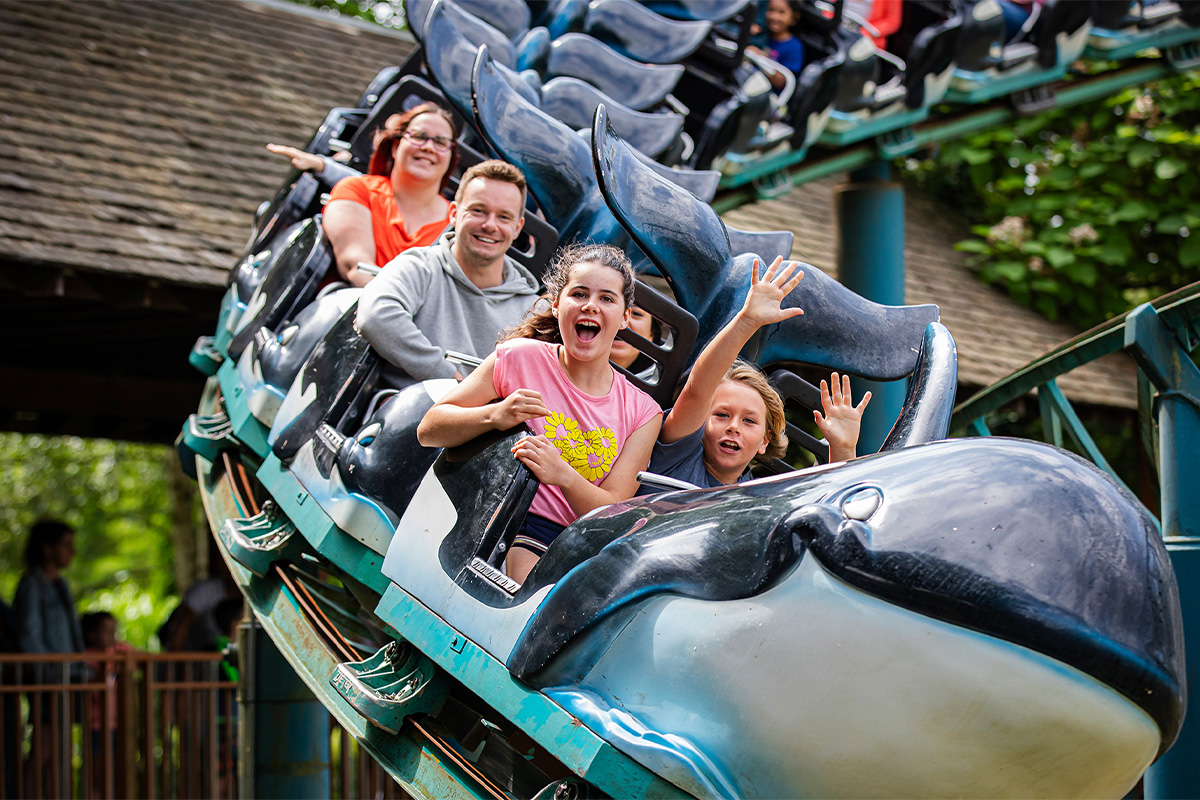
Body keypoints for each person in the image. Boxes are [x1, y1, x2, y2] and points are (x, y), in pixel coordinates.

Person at [417, 243, 663, 583]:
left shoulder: (644, 412)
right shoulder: (518, 358)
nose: (591, 305)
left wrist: (562, 474)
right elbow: (429, 429)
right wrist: (496, 415)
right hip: (502, 520)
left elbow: (609, 513)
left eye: (607, 298)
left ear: (624, 317)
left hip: (574, 544)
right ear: (558, 303)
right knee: (521, 571)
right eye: (579, 294)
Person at [644, 257, 871, 490]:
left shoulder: (757, 499)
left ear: (765, 441)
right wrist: (747, 321)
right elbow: (697, 389)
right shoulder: (679, 456)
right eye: (722, 414)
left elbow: (824, 507)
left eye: (749, 420)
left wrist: (843, 449)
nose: (733, 426)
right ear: (699, 423)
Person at [356, 160, 541, 382]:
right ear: (453, 213)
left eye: (503, 217)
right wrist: (451, 381)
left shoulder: (535, 311)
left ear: (517, 227)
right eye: (478, 211)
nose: (490, 225)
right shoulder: (419, 267)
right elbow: (375, 316)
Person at [267, 102, 460, 287]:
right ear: (395, 147)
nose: (428, 147)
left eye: (441, 142)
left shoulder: (458, 224)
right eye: (419, 136)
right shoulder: (357, 190)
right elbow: (356, 266)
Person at [12, 519, 83, 796]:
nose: (71, 552)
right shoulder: (33, 584)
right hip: (48, 678)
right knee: (43, 747)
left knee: (61, 749)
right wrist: (47, 672)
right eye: (65, 546)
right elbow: (30, 634)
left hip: (68, 676)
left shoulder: (60, 586)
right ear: (46, 548)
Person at [748, 0, 805, 94]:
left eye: (781, 12)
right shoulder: (760, 36)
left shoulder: (794, 47)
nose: (774, 16)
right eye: (771, 10)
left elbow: (782, 82)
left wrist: (760, 58)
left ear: (794, 17)